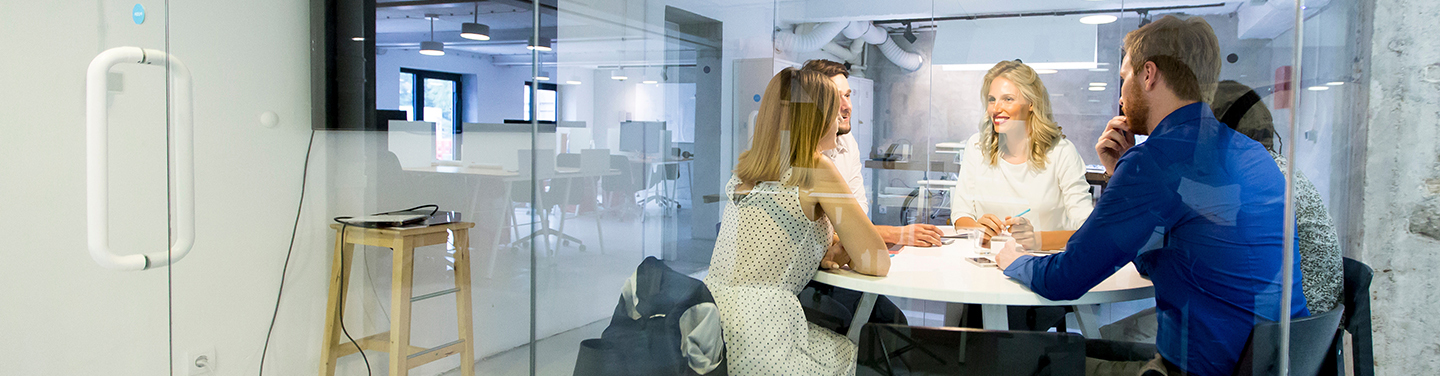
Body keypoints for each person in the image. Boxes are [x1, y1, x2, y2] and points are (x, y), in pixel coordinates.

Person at [993, 15, 1309, 376]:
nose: (1121, 95)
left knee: (1013, 359)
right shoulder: (1251, 154)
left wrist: (1014, 259)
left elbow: (1064, 280)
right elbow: (1155, 257)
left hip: (1197, 371)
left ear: (1149, 74)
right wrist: (1118, 172)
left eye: (1125, 77)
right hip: (1271, 364)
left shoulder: (1156, 161)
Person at [1100, 80, 1346, 343]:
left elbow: (1150, 256)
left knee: (1117, 337)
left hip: (1270, 338)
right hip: (1305, 334)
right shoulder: (1269, 168)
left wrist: (1123, 175)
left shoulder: (1235, 181)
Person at [705, 67, 890, 375]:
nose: (841, 119)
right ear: (815, 118)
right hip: (763, 337)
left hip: (715, 327)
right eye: (834, 110)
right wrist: (841, 249)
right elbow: (877, 261)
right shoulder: (816, 168)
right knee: (867, 357)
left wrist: (826, 250)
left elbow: (779, 241)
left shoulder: (747, 169)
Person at [950, 59, 1094, 250]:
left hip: (1043, 268)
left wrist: (1036, 240)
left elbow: (1089, 230)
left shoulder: (1061, 152)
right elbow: (960, 215)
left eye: (1008, 99)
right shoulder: (977, 147)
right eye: (992, 99)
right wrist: (979, 229)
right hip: (986, 265)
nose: (996, 108)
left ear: (1031, 103)